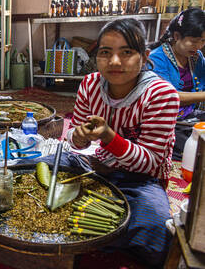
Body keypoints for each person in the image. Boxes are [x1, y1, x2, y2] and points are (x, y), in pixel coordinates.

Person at [21, 19, 179, 267]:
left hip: (137, 180)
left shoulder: (161, 94)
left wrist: (110, 138)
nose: (115, 62)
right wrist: (79, 136)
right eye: (106, 53)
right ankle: (98, 231)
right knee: (33, 167)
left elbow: (151, 163)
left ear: (144, 56)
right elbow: (73, 139)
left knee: (156, 227)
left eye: (126, 52)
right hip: (92, 165)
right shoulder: (91, 84)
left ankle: (83, 229)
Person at [149, 8, 205, 160]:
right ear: (176, 36)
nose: (199, 46)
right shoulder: (157, 59)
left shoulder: (196, 57)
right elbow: (169, 97)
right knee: (196, 149)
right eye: (194, 41)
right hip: (164, 123)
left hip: (189, 117)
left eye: (203, 41)